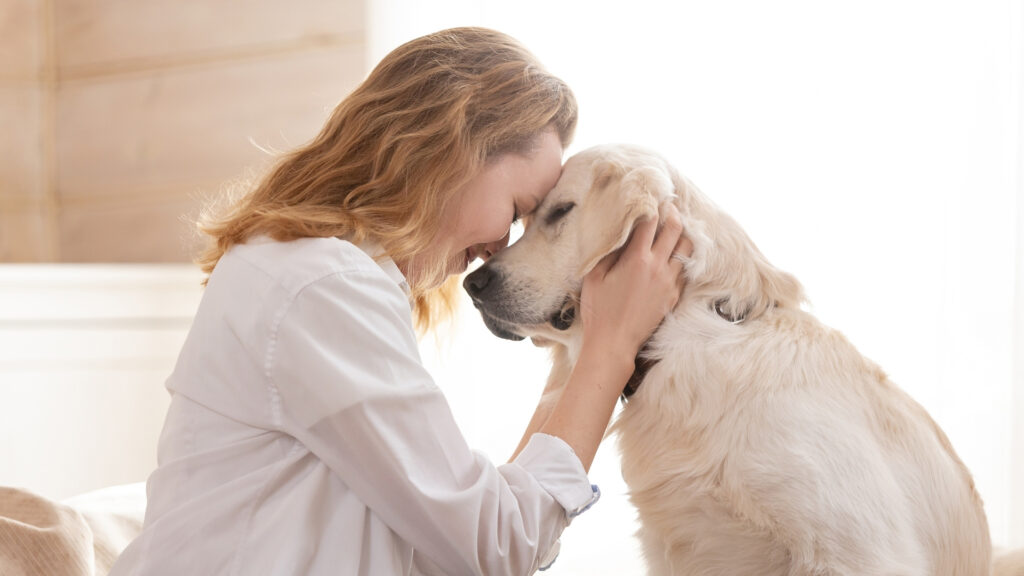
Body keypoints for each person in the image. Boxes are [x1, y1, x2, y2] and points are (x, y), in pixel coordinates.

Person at [109, 27, 689, 576]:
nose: (499, 248)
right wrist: (609, 351)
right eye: (515, 210)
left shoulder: (313, 272)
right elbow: (495, 544)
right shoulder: (321, 285)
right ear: (451, 151)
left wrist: (583, 347)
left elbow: (454, 546)